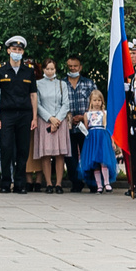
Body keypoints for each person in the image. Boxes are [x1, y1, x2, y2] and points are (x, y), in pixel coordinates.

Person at [32, 55, 70, 190]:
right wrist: (50, 118)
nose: (50, 71)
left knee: (60, 154)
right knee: (46, 153)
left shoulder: (62, 84)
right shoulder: (37, 84)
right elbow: (37, 104)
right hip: (44, 121)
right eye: (47, 69)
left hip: (60, 122)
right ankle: (48, 183)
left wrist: (57, 120)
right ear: (43, 69)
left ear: (56, 69)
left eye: (52, 69)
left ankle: (58, 183)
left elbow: (66, 104)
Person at [75, 88, 115, 191]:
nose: (97, 103)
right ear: (90, 101)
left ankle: (106, 182)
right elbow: (86, 128)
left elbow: (107, 127)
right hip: (92, 139)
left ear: (102, 102)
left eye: (99, 100)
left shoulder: (104, 113)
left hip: (102, 138)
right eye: (95, 100)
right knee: (95, 163)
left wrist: (112, 141)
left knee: (103, 160)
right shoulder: (87, 114)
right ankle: (99, 185)